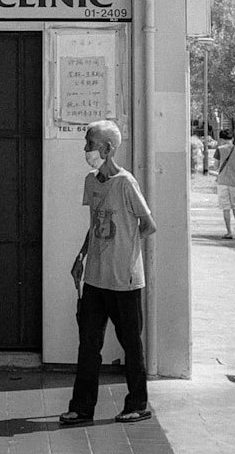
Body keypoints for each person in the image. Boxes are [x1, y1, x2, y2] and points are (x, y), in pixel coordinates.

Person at [59, 120, 157, 427]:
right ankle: (82, 407)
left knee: (131, 344)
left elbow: (148, 225)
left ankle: (138, 403)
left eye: (90, 145)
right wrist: (82, 255)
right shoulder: (92, 182)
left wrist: (127, 250)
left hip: (124, 281)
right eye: (87, 145)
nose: (86, 150)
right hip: (95, 280)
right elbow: (96, 223)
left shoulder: (126, 183)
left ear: (108, 149)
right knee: (88, 344)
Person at [213, 129, 235, 239]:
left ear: (221, 139)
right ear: (232, 138)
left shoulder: (219, 150)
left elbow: (216, 166)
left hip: (223, 181)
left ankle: (229, 232)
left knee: (225, 207)